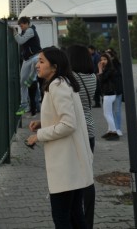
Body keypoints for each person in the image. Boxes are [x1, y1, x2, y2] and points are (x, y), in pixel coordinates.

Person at [26, 47, 93, 229]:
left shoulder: (57, 86)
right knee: (75, 215)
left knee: (62, 217)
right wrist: (42, 123)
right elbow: (65, 118)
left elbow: (68, 125)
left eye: (41, 61)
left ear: (54, 67)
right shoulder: (62, 83)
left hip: (66, 163)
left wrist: (38, 136)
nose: (37, 65)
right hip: (71, 162)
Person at [65, 44, 98, 229]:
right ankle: (87, 220)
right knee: (87, 177)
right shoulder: (92, 77)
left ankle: (77, 219)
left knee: (74, 178)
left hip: (77, 131)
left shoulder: (71, 78)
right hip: (90, 131)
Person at [14, 16, 42, 116]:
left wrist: (15, 33)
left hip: (35, 56)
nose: (21, 27)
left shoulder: (30, 30)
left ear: (27, 23)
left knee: (35, 63)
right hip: (27, 59)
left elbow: (20, 41)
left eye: (22, 25)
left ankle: (32, 78)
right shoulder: (24, 32)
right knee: (22, 82)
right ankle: (24, 104)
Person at [96, 53, 119, 140]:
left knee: (107, 114)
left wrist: (100, 69)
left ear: (108, 60)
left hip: (109, 94)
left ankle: (114, 132)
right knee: (109, 113)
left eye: (105, 59)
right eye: (101, 59)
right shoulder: (106, 69)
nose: (103, 61)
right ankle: (110, 131)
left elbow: (102, 79)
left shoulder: (110, 69)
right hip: (108, 94)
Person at [105, 49, 124, 136]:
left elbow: (118, 78)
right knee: (109, 111)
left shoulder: (116, 66)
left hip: (116, 91)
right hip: (107, 92)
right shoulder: (103, 67)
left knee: (116, 110)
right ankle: (111, 128)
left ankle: (118, 128)